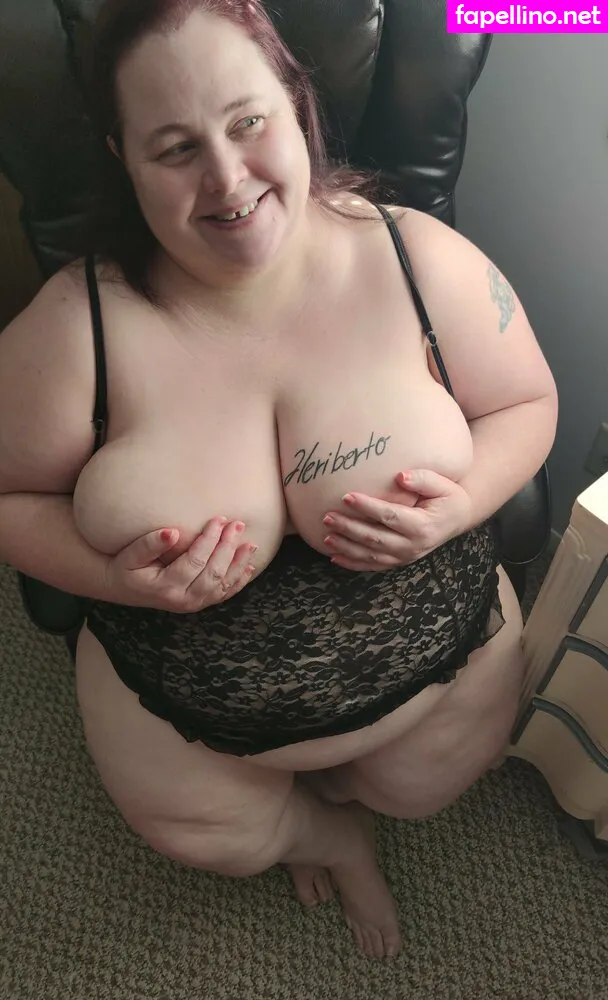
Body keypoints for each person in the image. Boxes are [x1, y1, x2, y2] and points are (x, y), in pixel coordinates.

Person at [0, 0, 558, 961]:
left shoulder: (417, 259)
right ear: (124, 158)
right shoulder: (73, 326)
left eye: (247, 121)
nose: (226, 178)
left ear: (298, 107)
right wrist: (111, 579)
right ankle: (320, 836)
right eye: (175, 148)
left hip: (445, 679)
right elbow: (7, 497)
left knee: (418, 790)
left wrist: (463, 508)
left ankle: (355, 794)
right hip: (184, 728)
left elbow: (528, 401)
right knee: (219, 836)